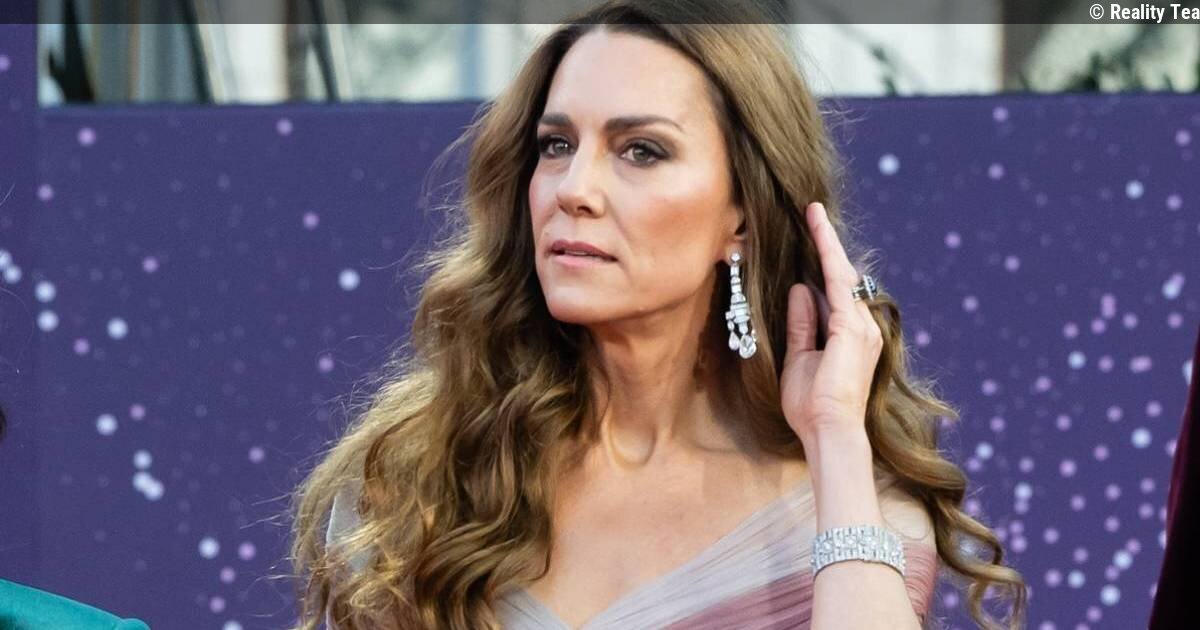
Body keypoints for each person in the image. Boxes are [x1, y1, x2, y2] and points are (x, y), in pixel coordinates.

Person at [289, 1, 1027, 628]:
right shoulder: (418, 481)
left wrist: (835, 434)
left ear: (742, 214)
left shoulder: (849, 508)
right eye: (556, 145)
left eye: (641, 151)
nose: (574, 189)